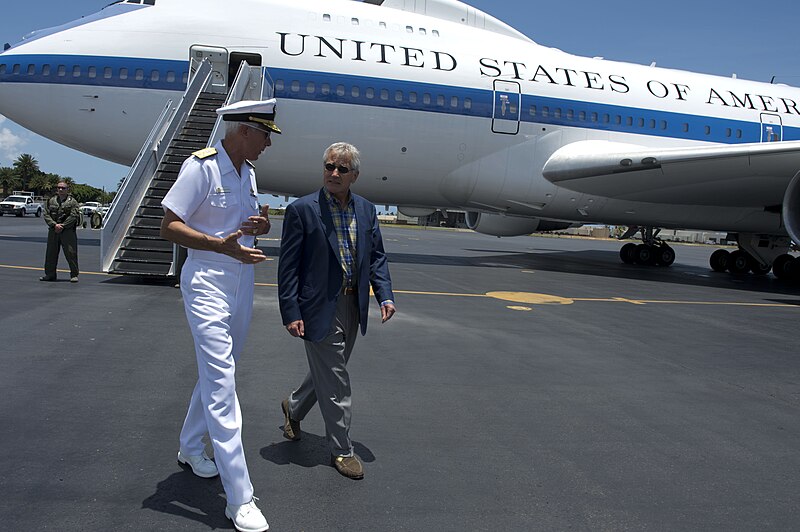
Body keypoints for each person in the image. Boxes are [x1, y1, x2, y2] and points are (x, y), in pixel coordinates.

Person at [160, 99, 280, 532]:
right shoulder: (202, 167)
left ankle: (192, 446)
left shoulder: (247, 172)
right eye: (265, 134)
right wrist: (219, 246)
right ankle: (239, 498)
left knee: (220, 372)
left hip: (241, 278)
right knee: (223, 384)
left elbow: (236, 224)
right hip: (208, 278)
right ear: (244, 130)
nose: (268, 143)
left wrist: (257, 228)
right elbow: (169, 225)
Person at [278, 142, 396, 480]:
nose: (334, 173)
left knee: (330, 371)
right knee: (338, 380)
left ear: (354, 175)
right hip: (317, 306)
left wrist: (384, 295)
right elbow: (288, 268)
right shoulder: (303, 210)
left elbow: (376, 257)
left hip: (352, 304)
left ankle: (294, 406)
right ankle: (342, 450)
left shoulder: (366, 210)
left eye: (342, 169)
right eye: (329, 166)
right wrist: (291, 311)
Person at [41, 181, 80, 282]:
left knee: (71, 253)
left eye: (63, 188)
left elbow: (74, 216)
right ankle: (50, 274)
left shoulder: (72, 202)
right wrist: (54, 225)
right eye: (59, 188)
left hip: (67, 231)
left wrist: (63, 225)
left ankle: (74, 274)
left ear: (68, 189)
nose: (61, 190)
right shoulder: (51, 200)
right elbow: (46, 214)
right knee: (51, 253)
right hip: (53, 230)